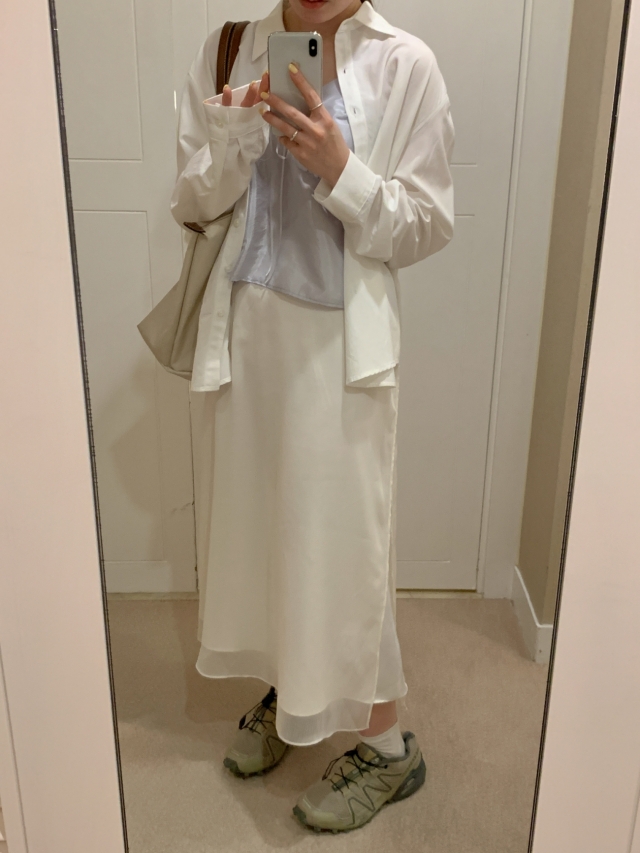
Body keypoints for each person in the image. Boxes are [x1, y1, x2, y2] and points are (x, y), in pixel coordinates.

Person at [171, 0, 454, 833]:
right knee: (269, 535)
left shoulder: (406, 64)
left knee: (347, 547)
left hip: (340, 352)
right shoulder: (230, 47)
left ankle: (388, 746)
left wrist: (343, 170)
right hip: (247, 334)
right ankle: (295, 693)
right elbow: (191, 199)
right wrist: (233, 140)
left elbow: (428, 221)